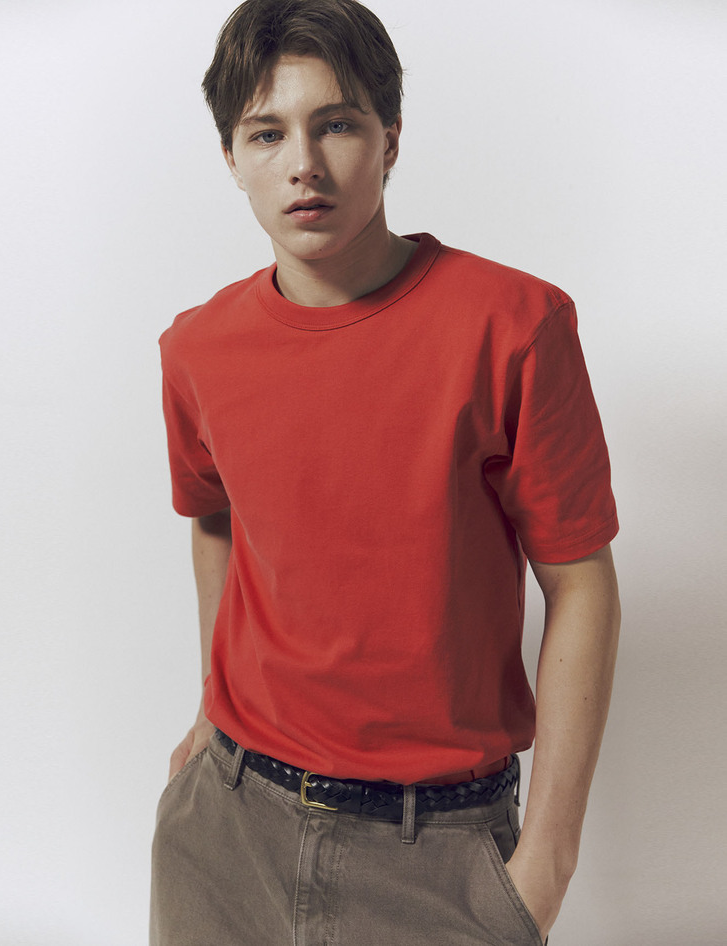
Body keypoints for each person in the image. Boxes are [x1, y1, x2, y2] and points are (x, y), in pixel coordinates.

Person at [150, 1, 621, 943]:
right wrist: (209, 706)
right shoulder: (196, 348)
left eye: (337, 124)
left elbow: (581, 584)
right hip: (227, 829)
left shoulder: (515, 327)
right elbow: (215, 518)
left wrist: (549, 860)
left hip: (436, 851)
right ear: (231, 157)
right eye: (267, 133)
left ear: (390, 139)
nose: (304, 164)